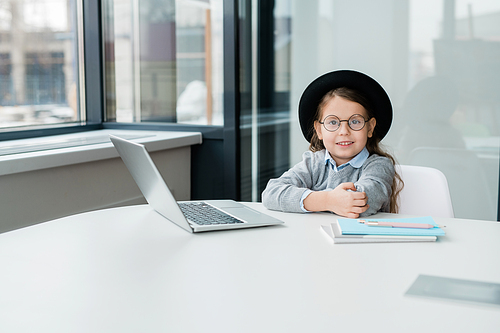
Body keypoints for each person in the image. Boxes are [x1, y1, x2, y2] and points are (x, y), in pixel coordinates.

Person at [262, 70, 402, 218]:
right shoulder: (313, 163)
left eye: (355, 121)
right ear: (319, 130)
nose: (344, 131)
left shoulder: (379, 166)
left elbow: (361, 203)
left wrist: (311, 200)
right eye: (333, 122)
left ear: (370, 127)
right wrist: (329, 201)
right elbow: (271, 193)